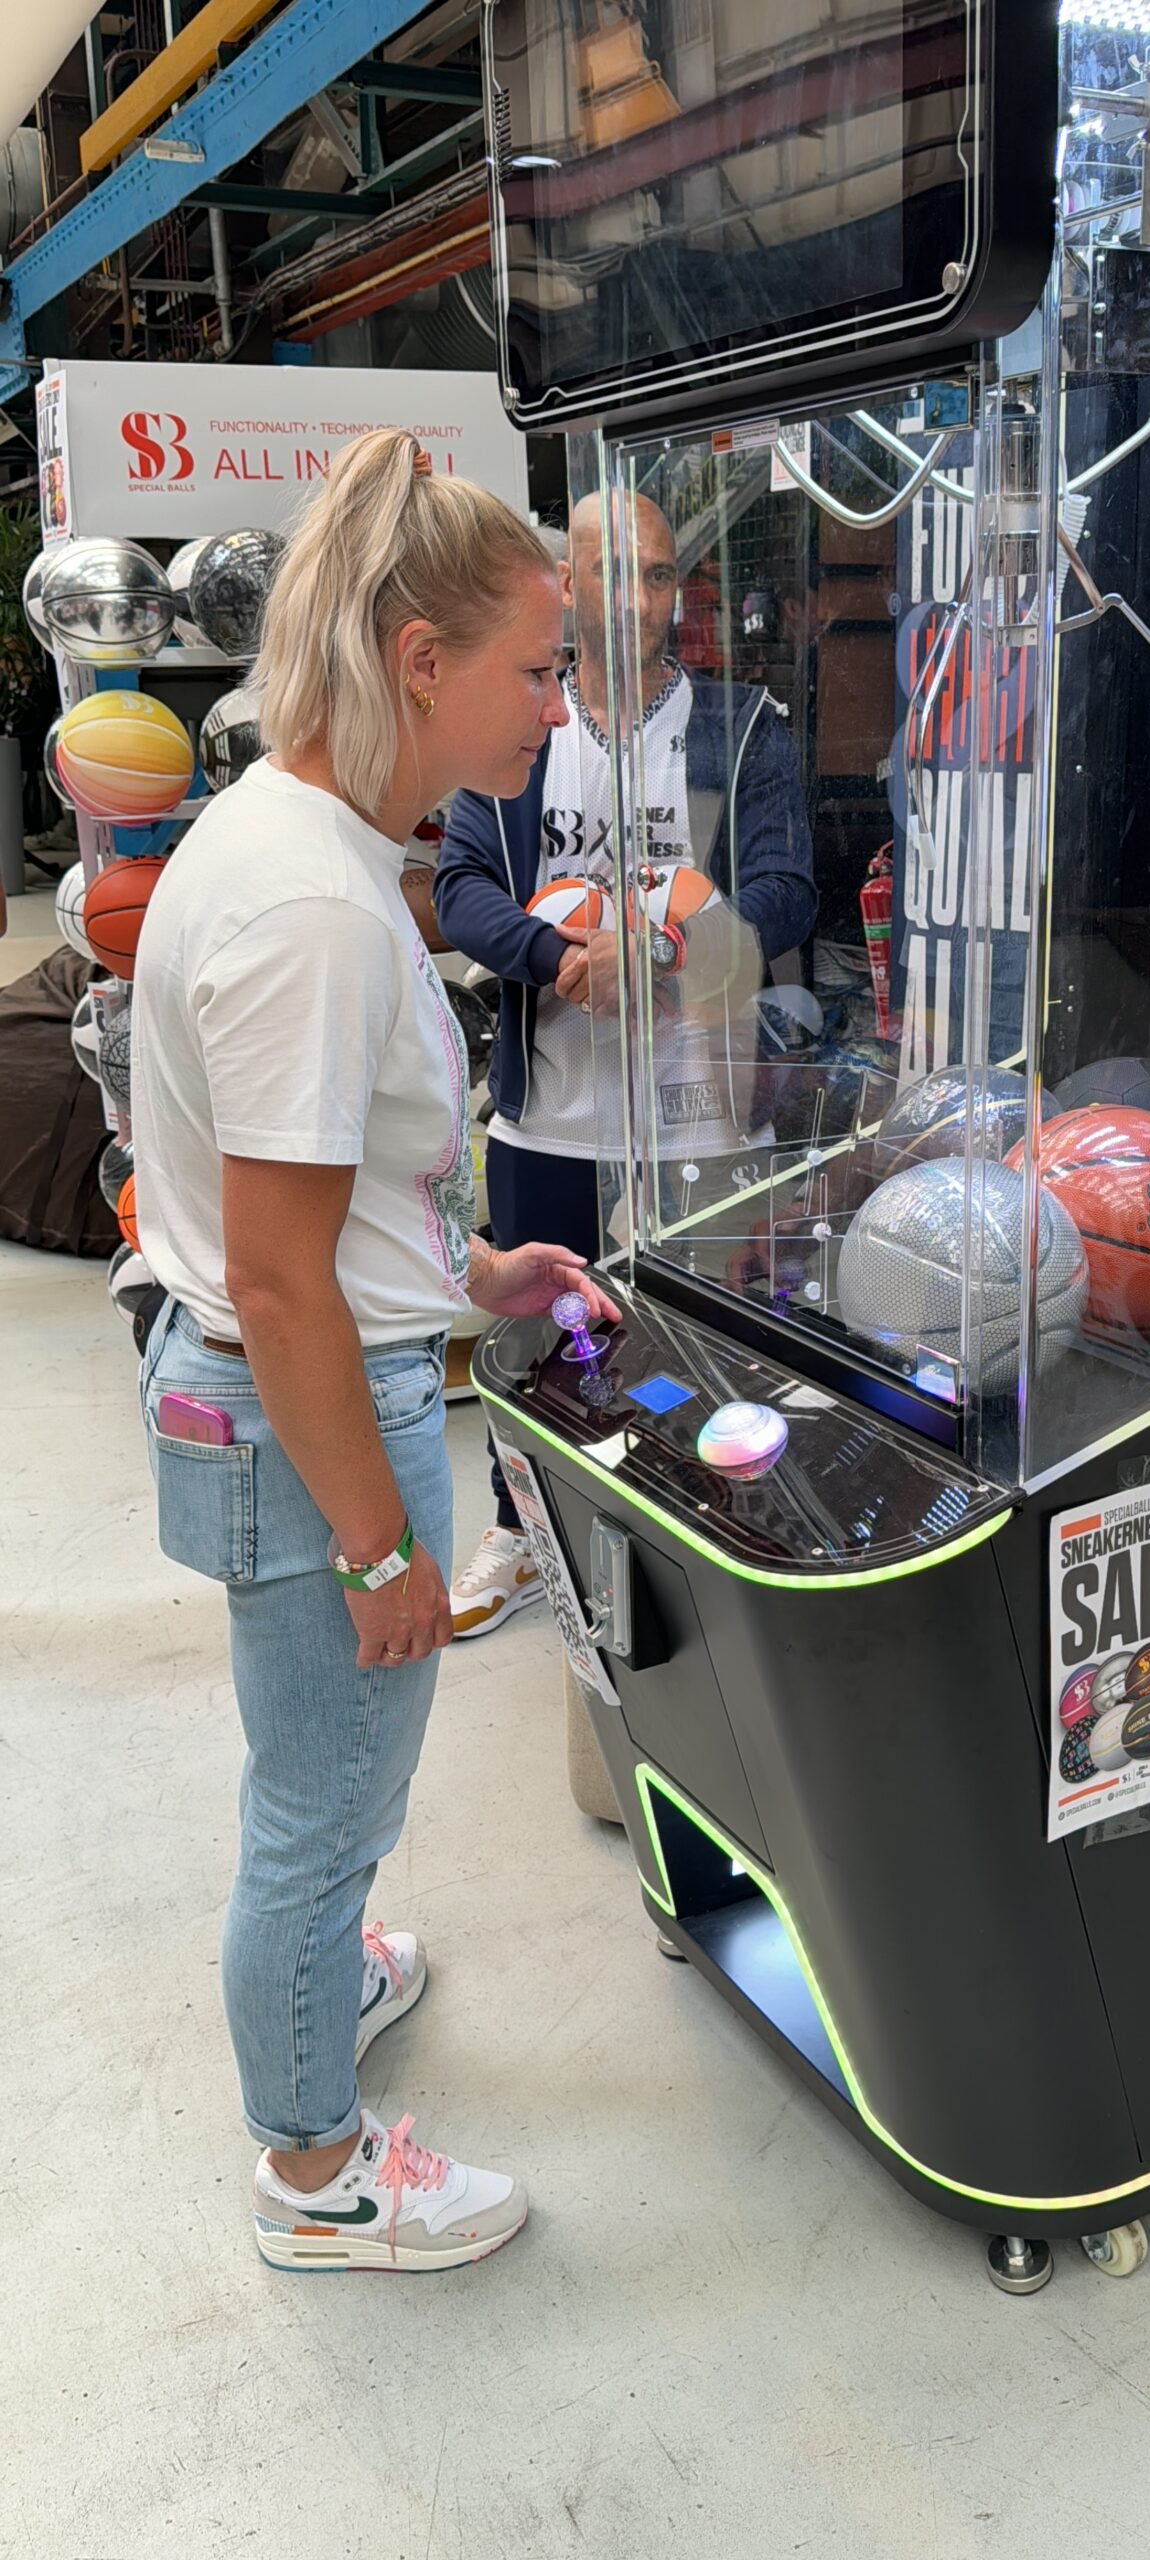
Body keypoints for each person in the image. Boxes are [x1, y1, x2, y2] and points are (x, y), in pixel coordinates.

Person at [130, 429, 616, 2273]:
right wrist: (382, 1543)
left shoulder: (309, 841)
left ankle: (328, 1988)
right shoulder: (319, 908)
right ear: (424, 661)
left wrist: (473, 1266)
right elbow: (274, 1280)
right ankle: (315, 2170)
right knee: (324, 1806)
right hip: (301, 1414)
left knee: (326, 1781)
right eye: (538, 667)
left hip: (308, 1387)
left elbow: (325, 1208)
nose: (556, 712)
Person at [435, 490, 817, 1636]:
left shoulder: (742, 724)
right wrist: (559, 958)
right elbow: (460, 892)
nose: (640, 599)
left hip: (701, 1117)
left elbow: (789, 887)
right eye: (614, 573)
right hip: (551, 1117)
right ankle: (519, 1522)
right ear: (567, 582)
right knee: (539, 1340)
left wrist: (658, 953)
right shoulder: (518, 723)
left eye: (658, 575)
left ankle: (688, 1533)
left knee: (698, 1347)